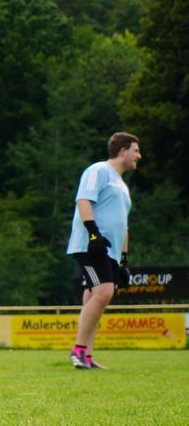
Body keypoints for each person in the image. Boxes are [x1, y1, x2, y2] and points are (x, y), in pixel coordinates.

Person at [68, 132, 141, 369]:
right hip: (91, 244)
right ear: (122, 151)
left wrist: (124, 261)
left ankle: (87, 356)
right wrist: (93, 232)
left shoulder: (121, 185)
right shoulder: (98, 170)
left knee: (93, 295)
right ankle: (77, 350)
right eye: (135, 150)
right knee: (104, 292)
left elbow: (124, 226)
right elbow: (83, 200)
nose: (138, 156)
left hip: (110, 251)